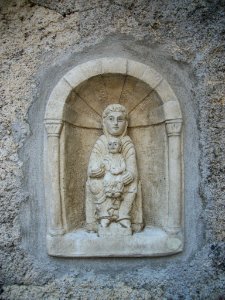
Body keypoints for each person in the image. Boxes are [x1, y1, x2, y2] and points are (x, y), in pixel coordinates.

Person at [86, 104, 138, 230]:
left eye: (120, 119)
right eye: (111, 119)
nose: (115, 123)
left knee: (133, 184)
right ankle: (104, 215)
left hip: (121, 179)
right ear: (104, 122)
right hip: (105, 179)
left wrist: (130, 174)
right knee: (94, 183)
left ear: (126, 124)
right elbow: (92, 165)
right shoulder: (101, 141)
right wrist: (95, 171)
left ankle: (123, 215)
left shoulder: (127, 142)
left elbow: (132, 166)